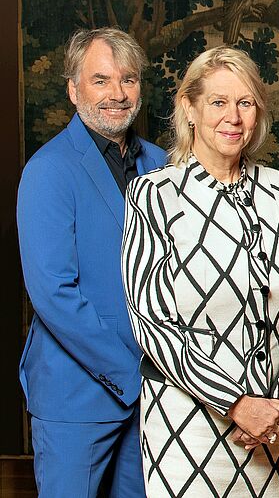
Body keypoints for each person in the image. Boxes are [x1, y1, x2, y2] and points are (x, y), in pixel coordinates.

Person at [121, 46, 279, 498]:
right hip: (187, 430)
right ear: (189, 109)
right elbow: (152, 323)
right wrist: (236, 404)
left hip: (269, 432)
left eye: (245, 103)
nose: (233, 116)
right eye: (218, 102)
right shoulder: (154, 195)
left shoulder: (275, 189)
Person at [17, 28, 167, 498]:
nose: (117, 94)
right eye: (100, 80)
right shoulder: (49, 170)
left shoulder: (163, 165)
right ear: (73, 89)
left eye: (128, 80)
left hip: (157, 402)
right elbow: (53, 293)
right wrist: (132, 372)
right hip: (76, 398)